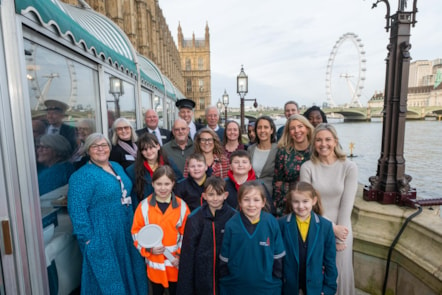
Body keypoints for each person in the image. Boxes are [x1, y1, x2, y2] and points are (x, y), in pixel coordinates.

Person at [68, 133, 148, 295]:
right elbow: (77, 210)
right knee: (108, 279)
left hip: (125, 229)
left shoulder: (116, 166)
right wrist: (89, 240)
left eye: (104, 145)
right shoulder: (81, 176)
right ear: (88, 150)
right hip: (102, 234)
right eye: (95, 146)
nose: (100, 149)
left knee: (130, 270)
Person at [300, 123, 358, 295]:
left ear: (335, 141)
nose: (323, 144)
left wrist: (340, 236)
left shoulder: (349, 167)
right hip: (315, 228)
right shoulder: (307, 167)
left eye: (327, 139)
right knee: (315, 274)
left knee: (338, 274)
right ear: (313, 143)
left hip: (342, 229)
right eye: (318, 140)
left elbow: (346, 206)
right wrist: (330, 228)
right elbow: (305, 204)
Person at [219, 181, 285, 295]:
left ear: (263, 202)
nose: (251, 204)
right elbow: (224, 260)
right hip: (236, 287)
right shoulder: (231, 225)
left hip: (267, 287)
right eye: (246, 200)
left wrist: (274, 279)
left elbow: (278, 258)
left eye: (256, 200)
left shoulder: (271, 223)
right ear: (239, 201)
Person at [132, 166, 190, 295]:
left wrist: (180, 255)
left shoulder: (182, 207)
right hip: (155, 265)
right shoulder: (143, 207)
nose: (163, 188)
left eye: (167, 184)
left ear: (173, 184)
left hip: (174, 264)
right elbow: (136, 234)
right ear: (152, 184)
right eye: (159, 184)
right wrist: (148, 249)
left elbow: (186, 235)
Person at [177, 176, 236, 295]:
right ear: (204, 196)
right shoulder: (194, 218)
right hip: (202, 276)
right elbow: (187, 255)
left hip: (226, 275)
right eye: (211, 194)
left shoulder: (233, 217)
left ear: (225, 195)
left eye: (219, 194)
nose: (215, 198)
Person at [278, 181, 337, 295]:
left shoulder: (326, 226)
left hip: (315, 288)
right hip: (288, 288)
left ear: (314, 201)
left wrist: (328, 289)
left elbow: (330, 261)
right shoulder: (281, 224)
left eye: (305, 201)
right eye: (296, 202)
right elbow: (276, 260)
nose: (301, 206)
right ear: (290, 202)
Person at [126, 133, 182, 210]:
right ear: (141, 152)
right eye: (144, 149)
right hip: (146, 210)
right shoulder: (132, 171)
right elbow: (134, 197)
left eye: (151, 147)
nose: (149, 152)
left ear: (158, 146)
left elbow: (179, 184)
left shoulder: (169, 163)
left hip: (170, 208)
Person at [273, 114, 314, 216]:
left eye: (300, 126)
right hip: (290, 204)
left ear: (307, 129)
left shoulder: (316, 150)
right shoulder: (283, 152)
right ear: (288, 132)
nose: (297, 131)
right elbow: (277, 182)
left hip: (314, 203)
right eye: (292, 128)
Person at [247, 116, 278, 195]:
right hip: (252, 194)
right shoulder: (251, 149)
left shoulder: (278, 150)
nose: (262, 130)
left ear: (271, 130)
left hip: (271, 195)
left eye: (266, 127)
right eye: (259, 127)